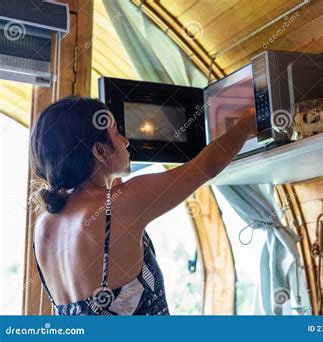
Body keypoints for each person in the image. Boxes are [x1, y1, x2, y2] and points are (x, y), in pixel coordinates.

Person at [29, 96, 255, 315]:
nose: (126, 141)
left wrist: (110, 176)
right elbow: (208, 165)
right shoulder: (118, 203)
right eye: (117, 133)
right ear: (100, 151)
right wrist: (247, 124)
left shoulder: (44, 226)